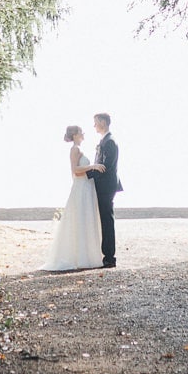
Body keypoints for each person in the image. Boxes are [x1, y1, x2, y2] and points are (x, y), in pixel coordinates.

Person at [40, 125, 104, 271]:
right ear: (75, 135)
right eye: (81, 132)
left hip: (86, 187)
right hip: (82, 187)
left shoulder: (78, 149)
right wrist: (93, 166)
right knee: (81, 219)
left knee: (86, 219)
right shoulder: (75, 149)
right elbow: (75, 170)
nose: (83, 134)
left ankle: (87, 255)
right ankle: (81, 257)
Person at [85, 112, 121, 268]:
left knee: (107, 220)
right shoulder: (104, 141)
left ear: (103, 122)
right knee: (104, 220)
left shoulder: (110, 142)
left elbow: (106, 168)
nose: (94, 126)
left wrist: (85, 174)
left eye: (95, 122)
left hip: (106, 187)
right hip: (102, 186)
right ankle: (106, 254)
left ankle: (109, 257)